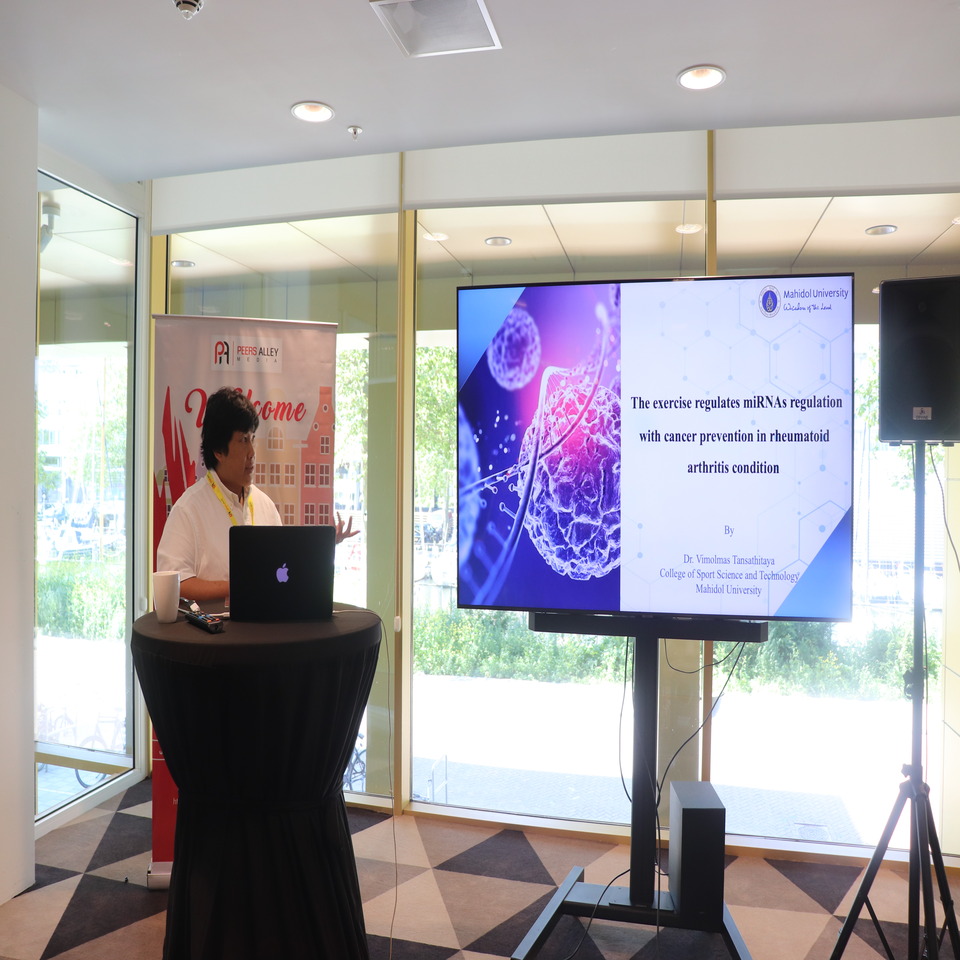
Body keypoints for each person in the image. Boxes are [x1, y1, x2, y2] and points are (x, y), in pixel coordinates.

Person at [157, 386, 356, 604]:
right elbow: (176, 584)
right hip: (214, 626)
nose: (252, 452)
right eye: (243, 440)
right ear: (218, 451)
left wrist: (320, 548)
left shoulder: (264, 505)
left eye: (252, 438)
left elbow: (282, 568)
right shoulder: (188, 509)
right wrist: (241, 586)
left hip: (266, 622)